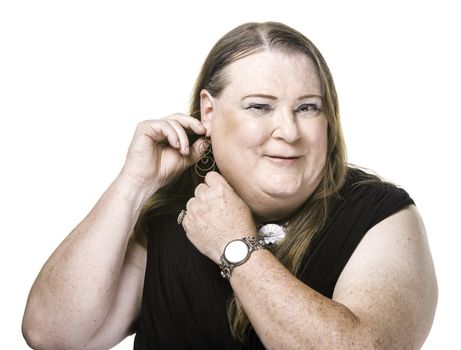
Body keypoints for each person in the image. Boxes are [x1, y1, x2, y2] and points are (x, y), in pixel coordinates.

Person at [22, 22, 437, 349]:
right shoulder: (172, 210)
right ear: (209, 111)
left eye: (307, 108)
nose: (288, 130)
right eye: (260, 106)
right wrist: (133, 185)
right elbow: (53, 335)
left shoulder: (382, 215)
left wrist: (234, 245)